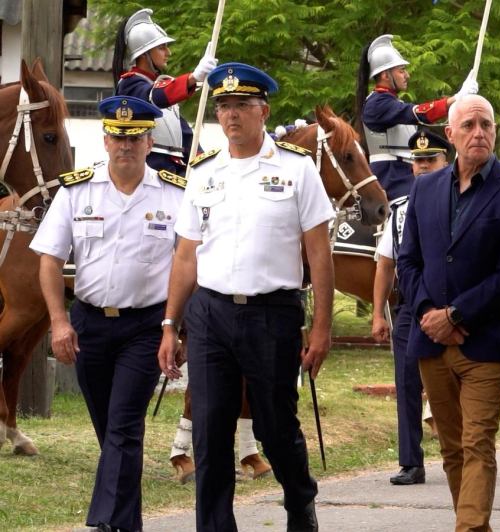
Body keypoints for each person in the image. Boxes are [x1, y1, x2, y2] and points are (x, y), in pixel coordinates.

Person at [156, 63, 335, 531]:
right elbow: (186, 258)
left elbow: (319, 254)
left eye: (241, 106)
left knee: (275, 430)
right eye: (224, 106)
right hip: (211, 315)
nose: (231, 115)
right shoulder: (204, 172)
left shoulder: (297, 171)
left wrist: (321, 330)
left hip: (271, 316)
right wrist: (170, 324)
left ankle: (300, 501)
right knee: (211, 436)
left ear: (263, 111)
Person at [31, 96, 185, 532]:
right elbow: (48, 260)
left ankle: (106, 524)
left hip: (147, 326)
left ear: (149, 141)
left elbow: (188, 265)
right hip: (89, 324)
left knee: (123, 424)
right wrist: (59, 321)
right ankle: (128, 521)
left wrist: (178, 326)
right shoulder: (76, 190)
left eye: (135, 137)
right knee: (111, 431)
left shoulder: (175, 193)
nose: (125, 145)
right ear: (104, 140)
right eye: (117, 136)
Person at [397, 95, 500, 531]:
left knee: (479, 443)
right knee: (453, 449)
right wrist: (428, 313)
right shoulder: (424, 186)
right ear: (452, 134)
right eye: (470, 125)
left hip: (484, 342)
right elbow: (409, 260)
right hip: (430, 341)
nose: (480, 132)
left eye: (487, 124)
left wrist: (456, 315)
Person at [371, 129, 452, 486]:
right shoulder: (400, 210)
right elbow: (385, 264)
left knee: (456, 381)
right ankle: (411, 462)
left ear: (445, 162)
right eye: (417, 162)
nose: (422, 168)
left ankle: (462, 452)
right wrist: (377, 313)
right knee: (406, 382)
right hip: (409, 309)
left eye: (429, 160)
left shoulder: (462, 202)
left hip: (453, 307)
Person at [355, 34, 477, 201]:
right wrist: (455, 98)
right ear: (385, 75)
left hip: (404, 172)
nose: (407, 75)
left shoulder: (389, 101)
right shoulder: (378, 103)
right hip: (390, 177)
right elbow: (420, 112)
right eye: (401, 70)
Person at [112, 8, 217, 175]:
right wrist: (193, 78)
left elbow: (186, 136)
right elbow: (157, 96)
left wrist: (206, 166)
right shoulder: (130, 84)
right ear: (144, 53)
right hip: (149, 168)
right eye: (162, 48)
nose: (169, 53)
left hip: (175, 168)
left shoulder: (160, 86)